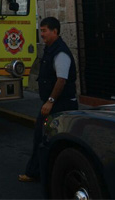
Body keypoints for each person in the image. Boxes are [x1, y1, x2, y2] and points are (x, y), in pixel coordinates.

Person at [19, 16, 78, 182]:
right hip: (53, 103)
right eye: (41, 31)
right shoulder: (51, 49)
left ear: (55, 31)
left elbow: (61, 80)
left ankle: (38, 173)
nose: (42, 34)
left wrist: (50, 101)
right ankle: (39, 172)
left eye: (44, 31)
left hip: (60, 104)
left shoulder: (61, 53)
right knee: (42, 136)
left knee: (45, 137)